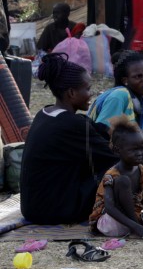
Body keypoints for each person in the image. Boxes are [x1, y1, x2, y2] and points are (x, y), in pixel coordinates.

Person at [19, 53, 118, 224]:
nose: (91, 93)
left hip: (32, 206)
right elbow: (114, 157)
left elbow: (94, 128)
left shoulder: (45, 114)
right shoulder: (70, 125)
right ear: (71, 92)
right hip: (52, 210)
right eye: (87, 88)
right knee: (121, 172)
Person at [89, 119, 143, 238]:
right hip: (111, 221)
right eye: (134, 150)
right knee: (124, 181)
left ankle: (139, 226)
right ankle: (135, 228)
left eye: (142, 148)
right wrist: (136, 227)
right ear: (118, 150)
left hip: (134, 217)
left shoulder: (142, 170)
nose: (140, 153)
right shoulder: (112, 174)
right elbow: (109, 208)